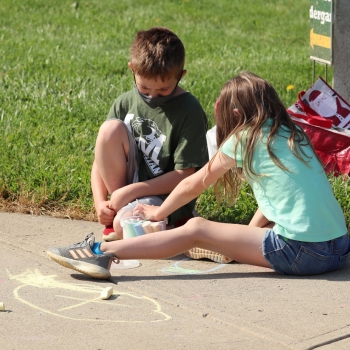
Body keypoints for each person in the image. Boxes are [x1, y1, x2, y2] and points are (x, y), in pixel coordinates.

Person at [47, 71, 349, 279]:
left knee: (197, 228)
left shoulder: (245, 136)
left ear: (233, 115)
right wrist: (239, 241)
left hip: (302, 253)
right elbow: (279, 202)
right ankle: (223, 247)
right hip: (337, 247)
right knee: (216, 234)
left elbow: (195, 181)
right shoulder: (291, 133)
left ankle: (100, 252)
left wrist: (159, 211)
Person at [91, 27, 208, 242]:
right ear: (132, 69)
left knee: (122, 227)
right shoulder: (125, 102)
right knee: (108, 130)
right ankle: (122, 213)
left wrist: (131, 192)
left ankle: (174, 222)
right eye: (144, 88)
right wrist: (100, 203)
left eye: (163, 90)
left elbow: (186, 175)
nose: (153, 96)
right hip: (129, 194)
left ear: (180, 76)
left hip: (168, 198)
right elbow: (101, 159)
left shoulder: (189, 110)